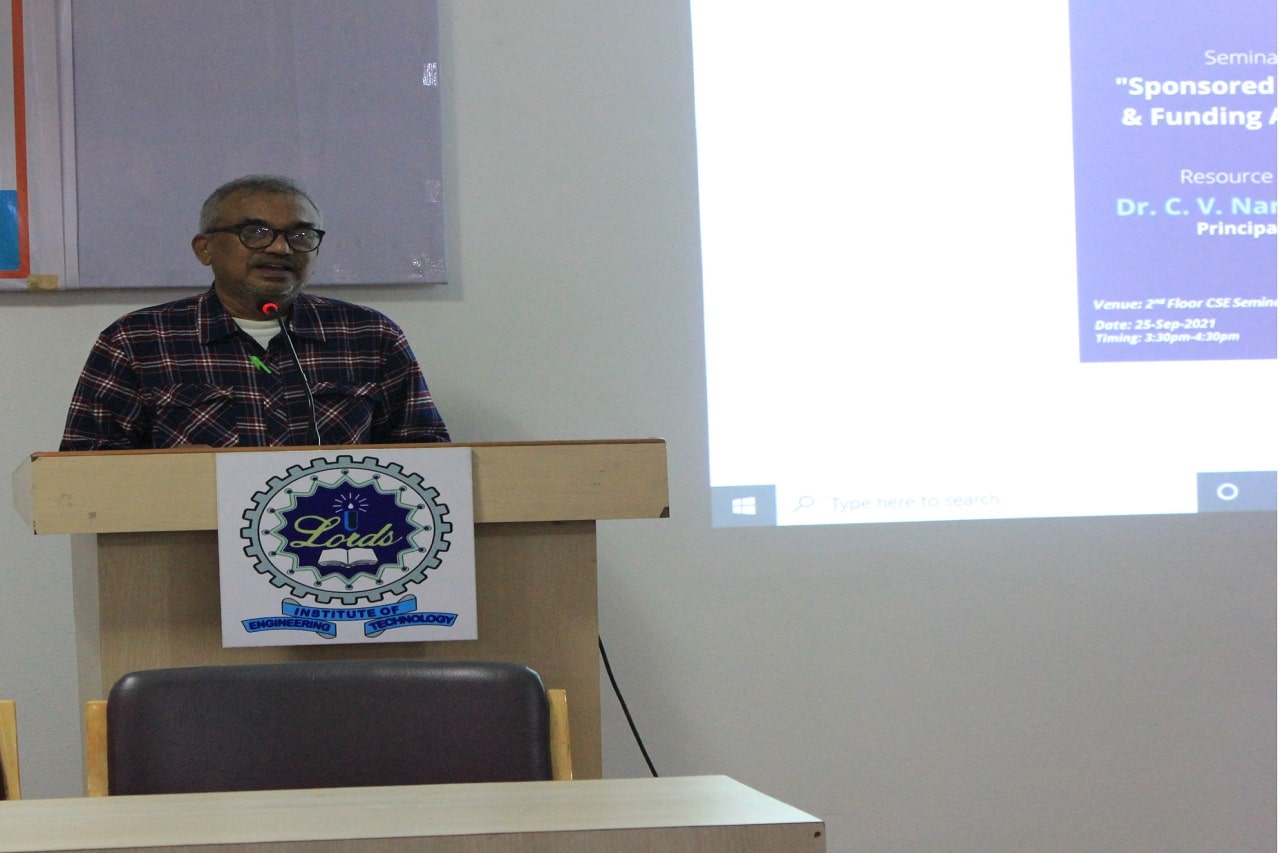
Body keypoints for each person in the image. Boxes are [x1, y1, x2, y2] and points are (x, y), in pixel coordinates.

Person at [59, 175, 449, 450]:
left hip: (333, 535)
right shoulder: (138, 341)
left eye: (300, 235)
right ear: (205, 248)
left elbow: (426, 453)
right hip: (193, 538)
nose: (281, 248)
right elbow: (85, 466)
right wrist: (168, 474)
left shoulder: (369, 335)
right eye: (256, 233)